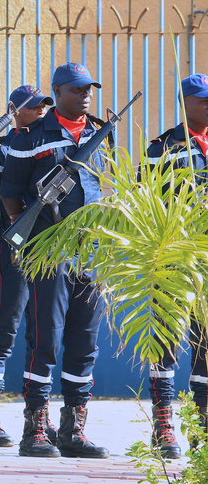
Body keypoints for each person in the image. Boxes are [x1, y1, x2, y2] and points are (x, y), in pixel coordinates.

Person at [0, 62, 110, 459]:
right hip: (49, 247)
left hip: (91, 250)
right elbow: (11, 191)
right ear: (58, 92)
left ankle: (73, 428)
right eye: (77, 90)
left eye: (89, 89)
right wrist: (23, 228)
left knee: (85, 340)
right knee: (44, 336)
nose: (85, 95)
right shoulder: (31, 135)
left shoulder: (101, 132)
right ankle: (35, 428)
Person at [0, 85, 54, 447]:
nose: (40, 113)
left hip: (49, 248)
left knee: (43, 335)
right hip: (15, 246)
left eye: (43, 107)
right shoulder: (4, 145)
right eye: (32, 108)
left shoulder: (49, 142)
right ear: (13, 109)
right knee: (3, 329)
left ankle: (40, 417)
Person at [144, 73, 208, 460]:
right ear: (185, 104)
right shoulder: (164, 146)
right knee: (166, 343)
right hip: (174, 255)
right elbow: (146, 198)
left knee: (206, 347)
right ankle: (163, 422)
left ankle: (201, 425)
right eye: (203, 100)